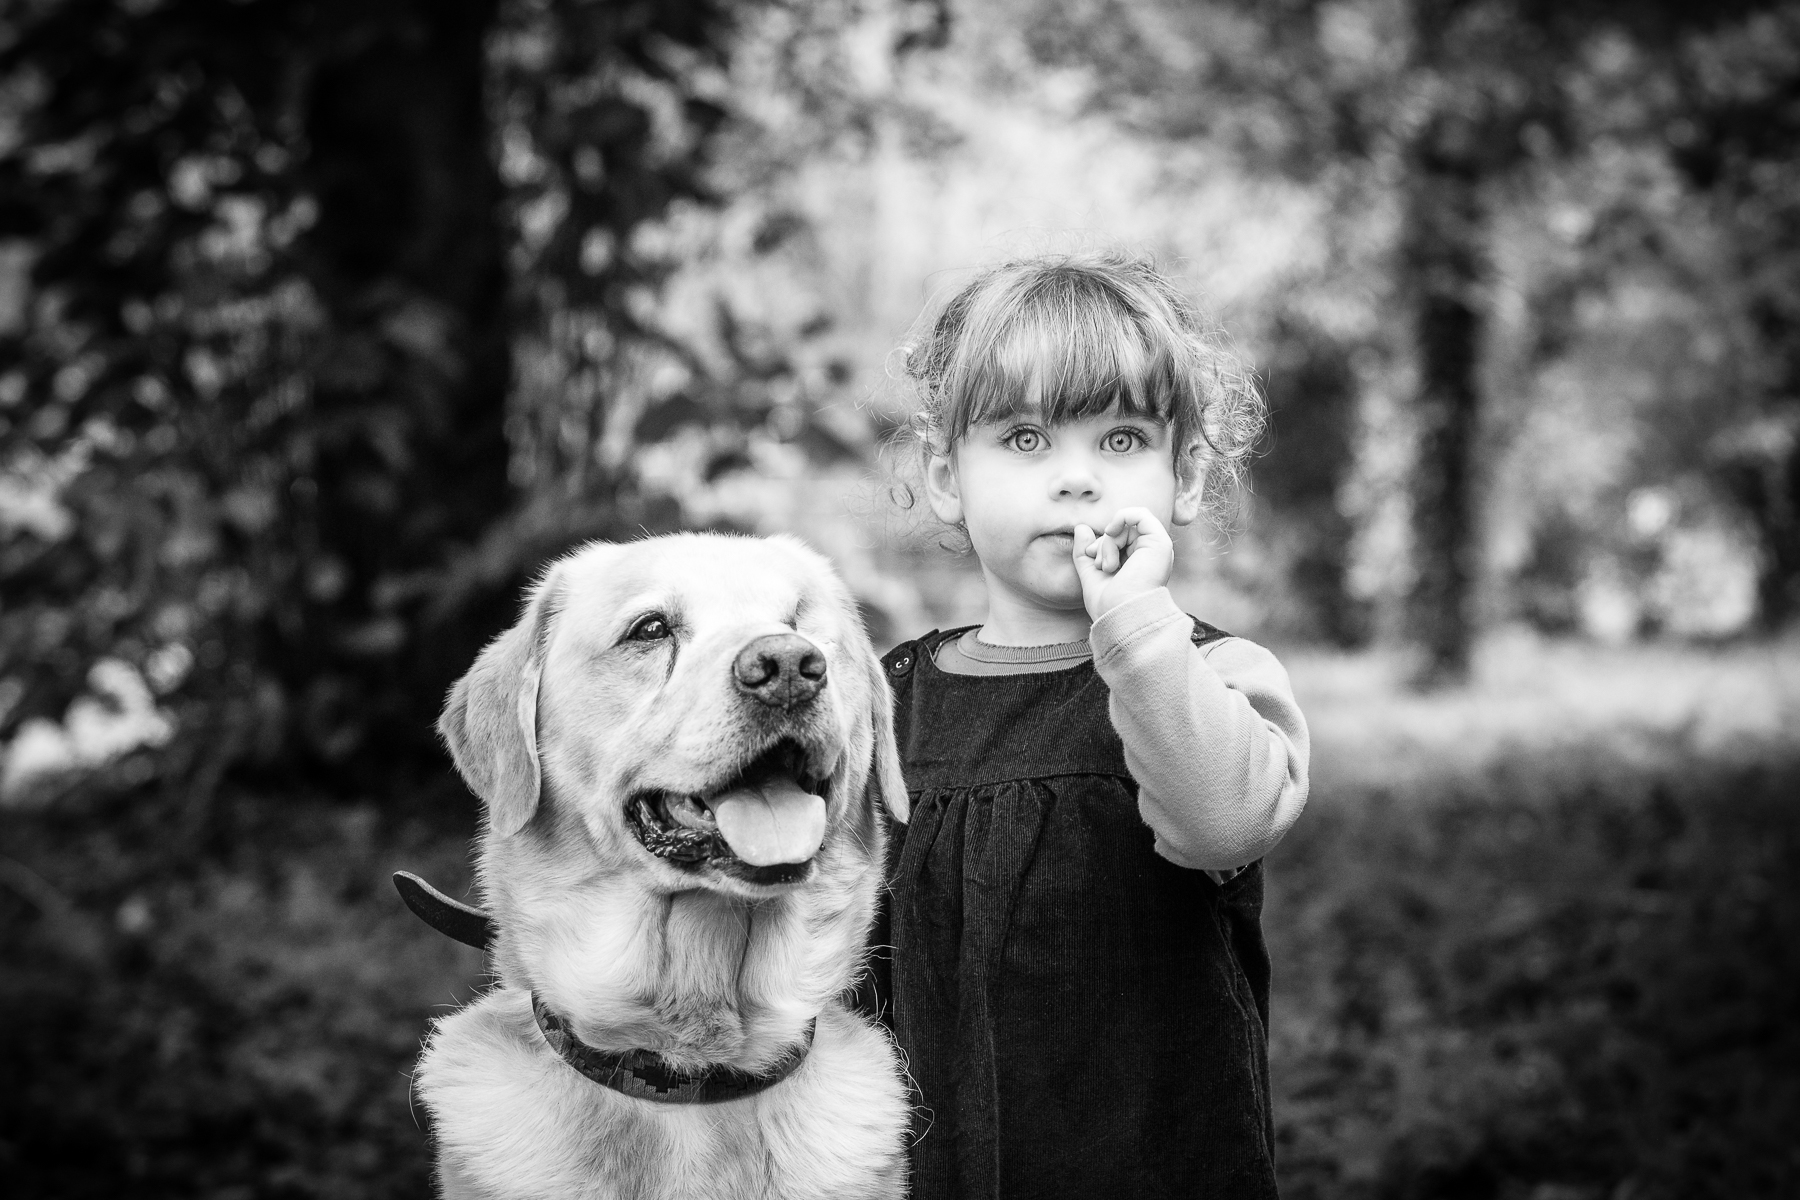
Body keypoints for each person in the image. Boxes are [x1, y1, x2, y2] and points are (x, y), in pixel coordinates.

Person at [859, 249, 1310, 1199]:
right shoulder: (888, 703)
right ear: (947, 478)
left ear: (1186, 477)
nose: (1076, 480)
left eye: (1121, 439)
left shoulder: (1213, 676)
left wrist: (1136, 625)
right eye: (1025, 439)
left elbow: (1223, 823)